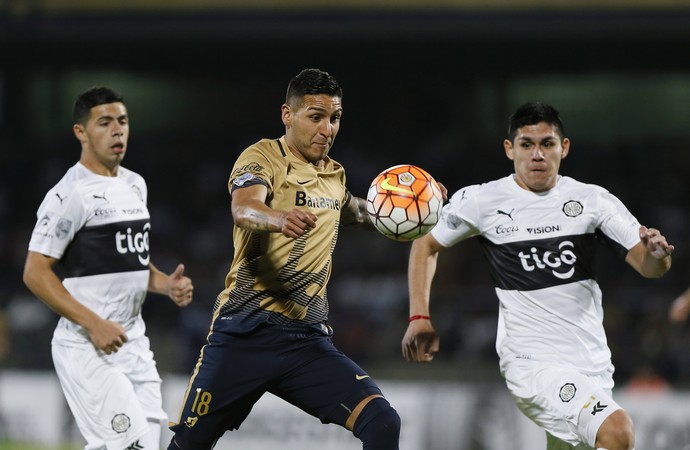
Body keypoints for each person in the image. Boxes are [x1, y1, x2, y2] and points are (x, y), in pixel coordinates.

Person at [401, 102, 674, 450]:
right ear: (509, 149)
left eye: (547, 143)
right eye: (527, 144)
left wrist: (657, 255)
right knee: (617, 432)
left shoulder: (593, 201)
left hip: (592, 364)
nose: (537, 154)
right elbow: (425, 242)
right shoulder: (484, 200)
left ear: (565, 147)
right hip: (532, 365)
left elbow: (649, 267)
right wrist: (419, 316)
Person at [167, 68, 403, 450]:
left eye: (335, 118)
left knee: (382, 423)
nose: (327, 129)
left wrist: (419, 207)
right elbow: (244, 208)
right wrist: (278, 218)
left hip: (306, 343)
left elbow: (360, 212)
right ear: (287, 115)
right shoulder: (262, 156)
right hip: (244, 334)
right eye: (316, 117)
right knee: (188, 446)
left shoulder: (334, 174)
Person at [23, 86, 194, 450]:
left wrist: (166, 285)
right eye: (105, 123)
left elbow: (129, 262)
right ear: (81, 132)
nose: (118, 131)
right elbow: (35, 272)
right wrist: (95, 324)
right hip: (88, 347)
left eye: (123, 121)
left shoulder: (135, 185)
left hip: (133, 344)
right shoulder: (69, 194)